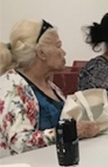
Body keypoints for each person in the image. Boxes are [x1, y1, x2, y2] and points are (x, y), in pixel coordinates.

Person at [0, 19, 99, 155]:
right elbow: (19, 142)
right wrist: (68, 132)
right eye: (58, 46)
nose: (63, 52)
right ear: (41, 53)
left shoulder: (51, 87)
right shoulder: (12, 86)